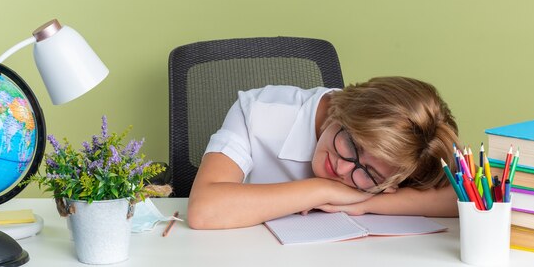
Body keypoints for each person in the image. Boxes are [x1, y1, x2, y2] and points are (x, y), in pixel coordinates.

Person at [187, 76, 460, 230]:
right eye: (352, 145)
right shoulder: (258, 111)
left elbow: (466, 199)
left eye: (369, 173)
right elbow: (205, 210)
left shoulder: (402, 154)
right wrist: (322, 190)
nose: (342, 170)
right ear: (342, 111)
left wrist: (365, 203)